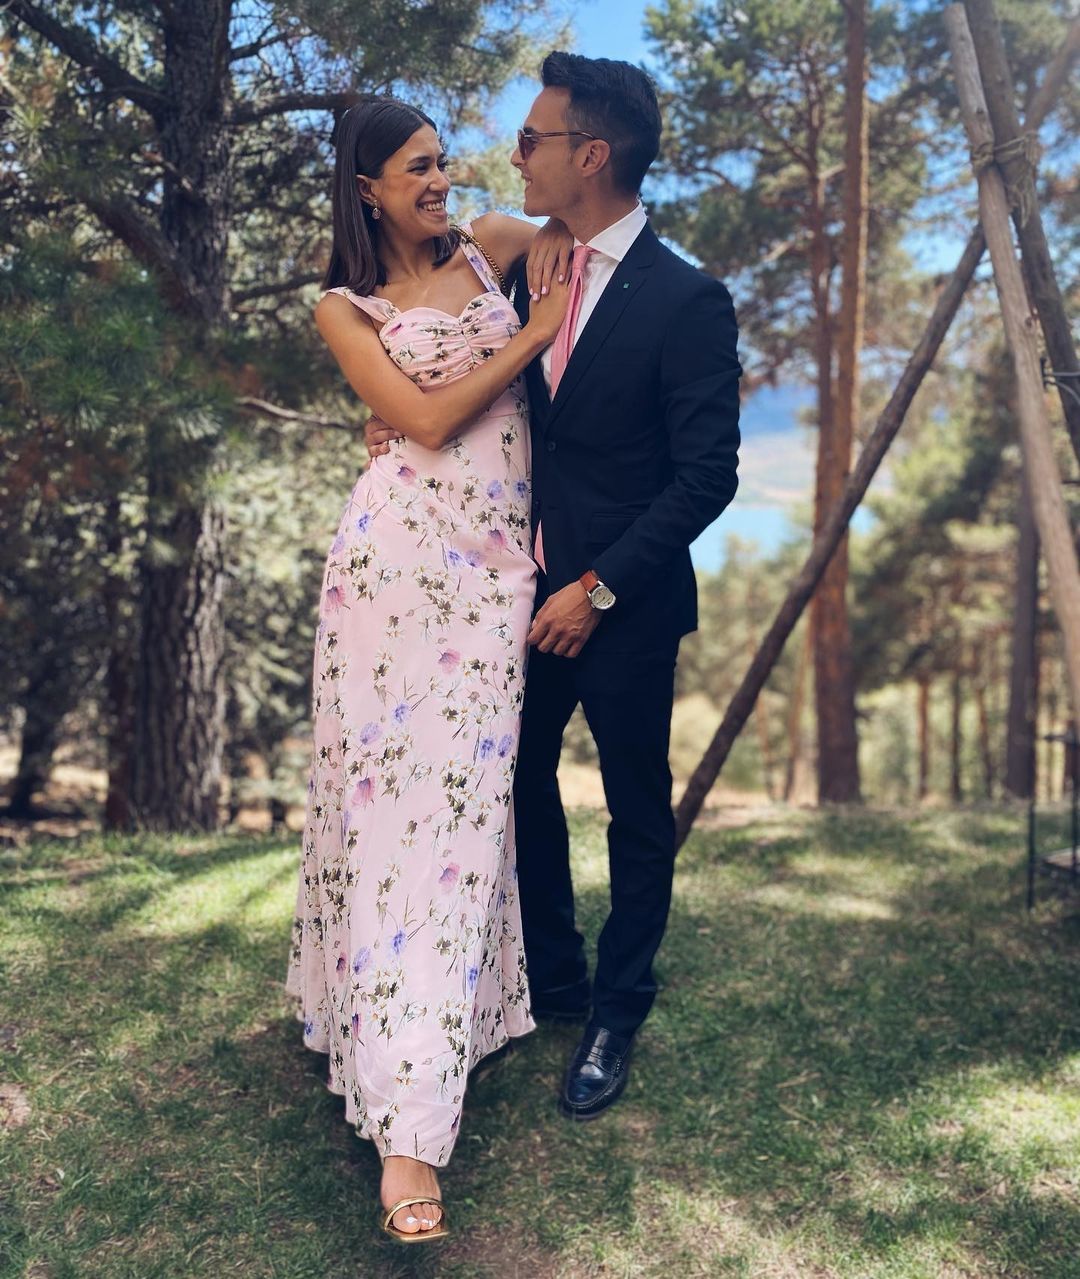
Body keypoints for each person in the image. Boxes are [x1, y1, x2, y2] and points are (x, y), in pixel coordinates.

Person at [373, 52, 741, 1121]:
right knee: (516, 786)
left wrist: (598, 589)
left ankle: (617, 1011)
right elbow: (474, 379)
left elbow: (706, 476)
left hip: (622, 604)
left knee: (636, 812)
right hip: (513, 601)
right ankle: (555, 973)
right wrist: (396, 418)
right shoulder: (522, 268)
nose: (515, 154)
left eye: (533, 139)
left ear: (592, 155)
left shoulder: (688, 298)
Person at [286, 92, 571, 1245]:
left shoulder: (496, 245)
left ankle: (433, 1029)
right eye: (415, 168)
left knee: (459, 816)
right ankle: (408, 1137)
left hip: (496, 579)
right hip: (392, 572)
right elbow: (426, 419)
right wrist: (528, 340)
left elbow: (590, 255)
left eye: (442, 161)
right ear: (365, 189)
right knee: (390, 816)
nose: (439, 181)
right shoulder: (342, 307)